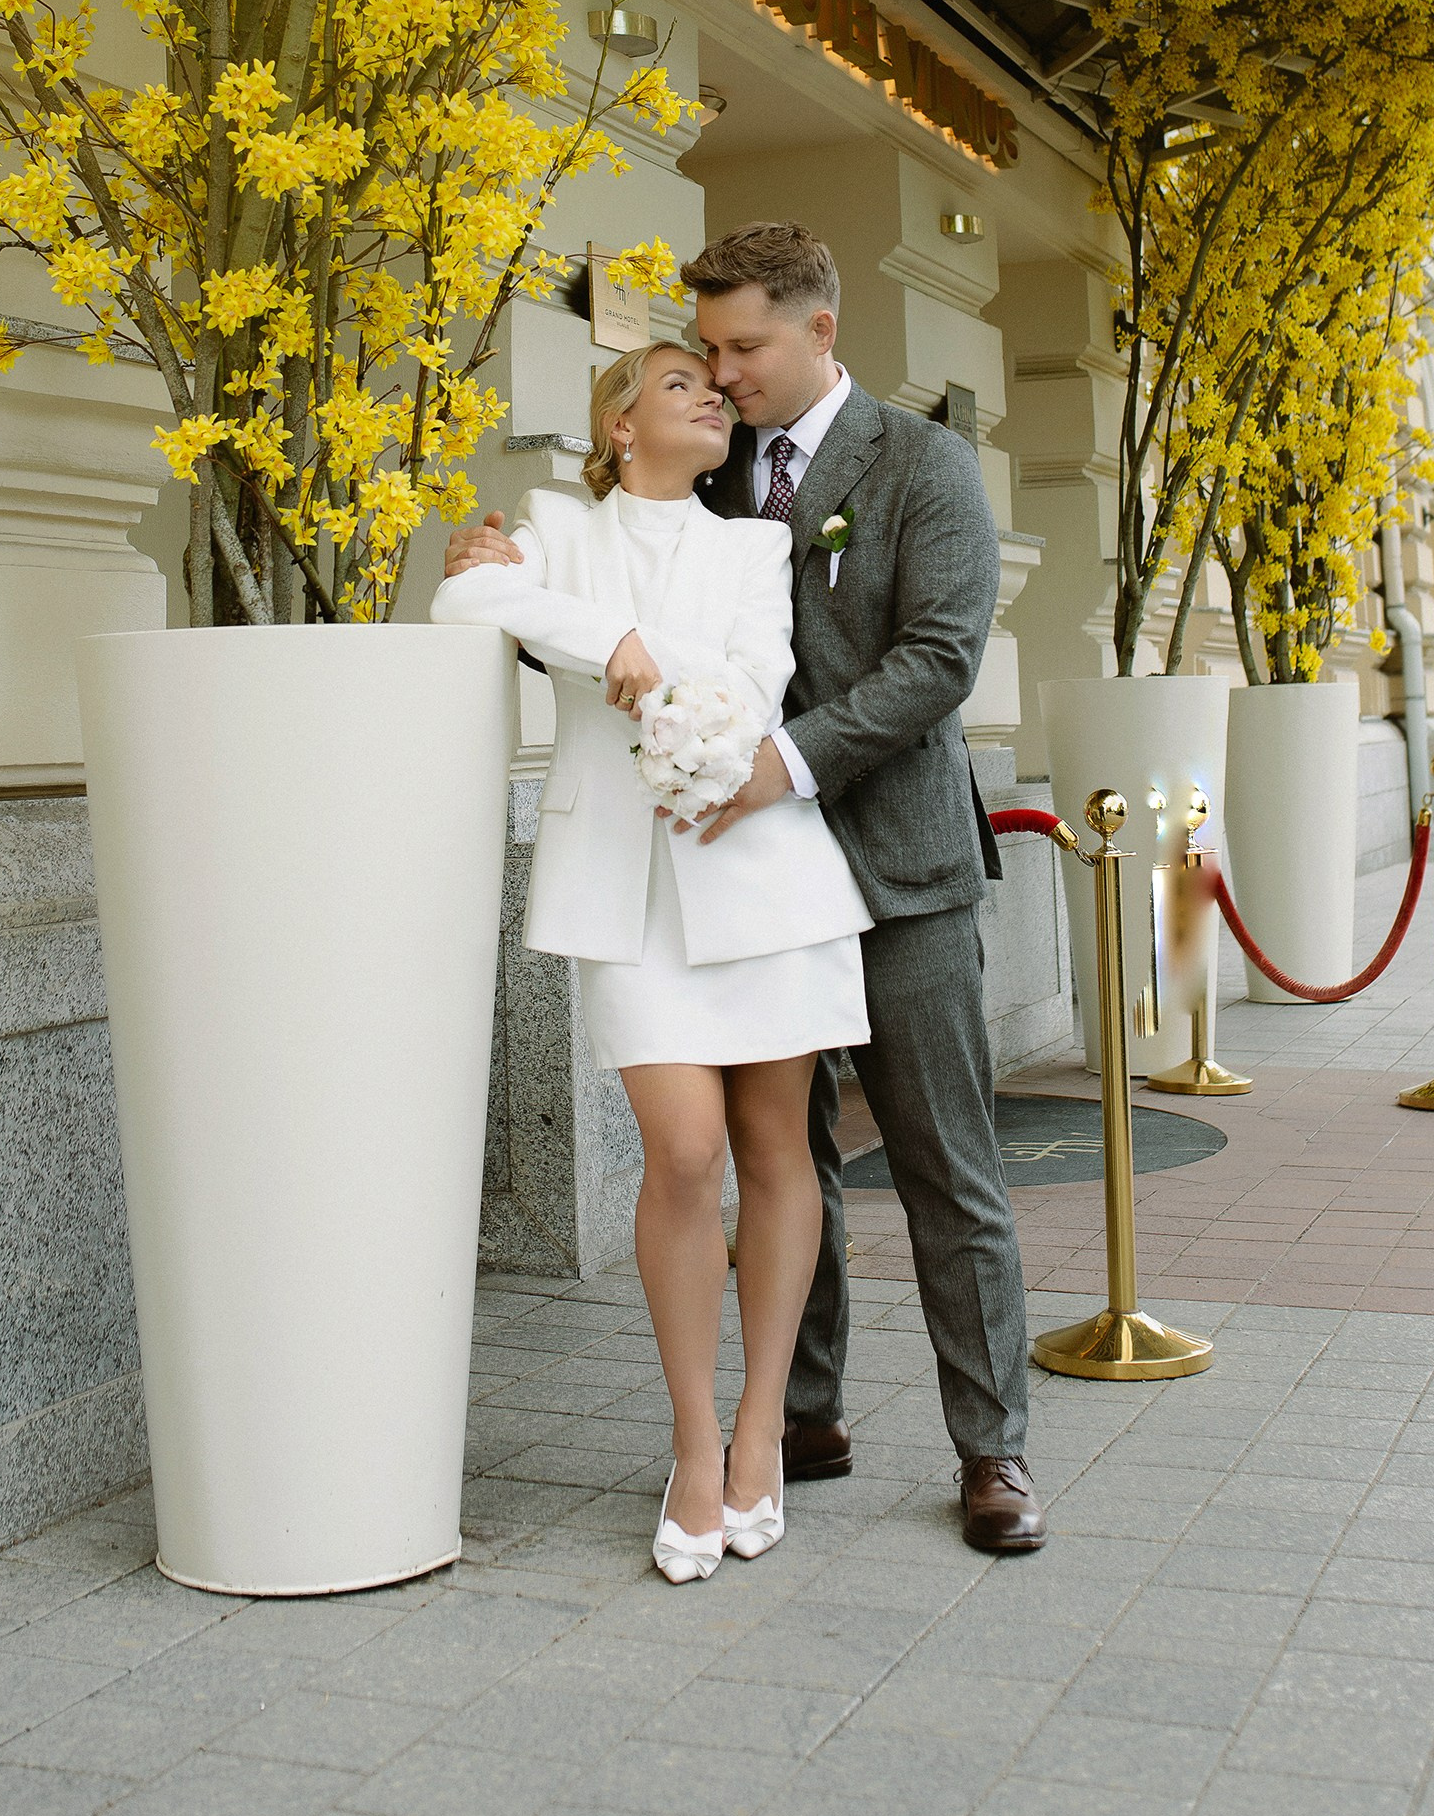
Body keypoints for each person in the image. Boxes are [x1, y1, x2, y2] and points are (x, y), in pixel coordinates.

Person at [447, 220, 1046, 1558]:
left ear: (818, 328)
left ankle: (991, 1448)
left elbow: (941, 655)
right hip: (727, 876)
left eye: (742, 346)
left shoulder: (922, 460)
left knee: (945, 1164)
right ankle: (802, 1416)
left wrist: (777, 761)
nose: (721, 375)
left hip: (895, 860)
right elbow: (617, 555)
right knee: (798, 1164)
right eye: (703, 352)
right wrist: (502, 564)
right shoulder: (706, 484)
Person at [432, 338, 872, 1585]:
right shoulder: (555, 529)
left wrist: (644, 657)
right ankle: (688, 1442)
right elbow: (465, 601)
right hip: (625, 896)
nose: (712, 400)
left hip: (760, 876)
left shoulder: (755, 546)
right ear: (621, 424)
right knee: (683, 1152)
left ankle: (755, 1437)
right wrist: (609, 632)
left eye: (716, 389)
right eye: (682, 386)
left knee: (781, 1154)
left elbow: (756, 681)